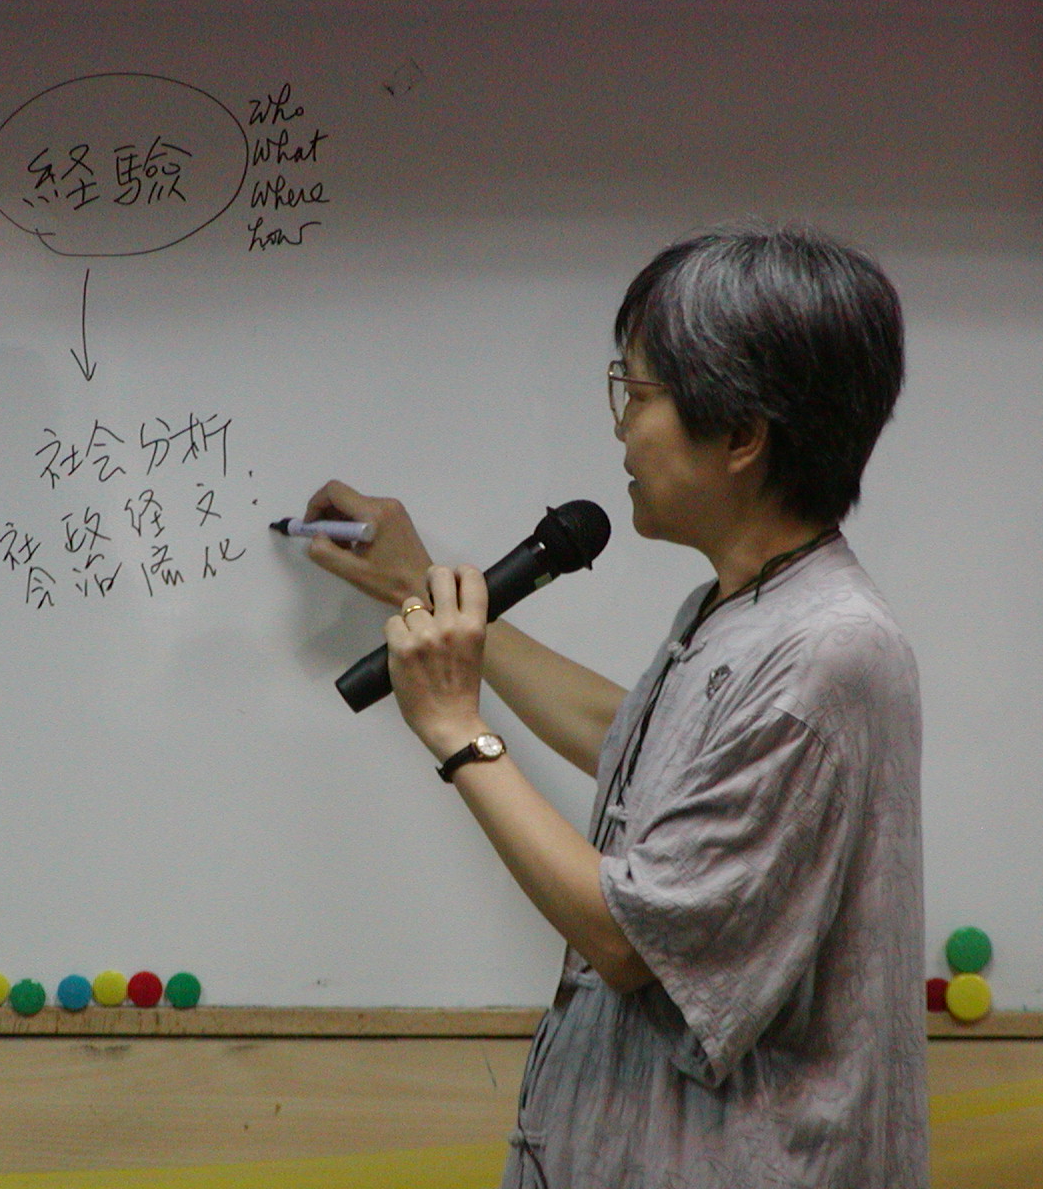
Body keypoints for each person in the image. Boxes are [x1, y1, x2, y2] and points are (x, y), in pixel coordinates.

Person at [299, 224, 926, 1188]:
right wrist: (421, 583)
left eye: (637, 394)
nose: (620, 428)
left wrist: (459, 734)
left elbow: (628, 939)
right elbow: (624, 733)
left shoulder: (826, 653)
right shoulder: (747, 607)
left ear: (742, 435)